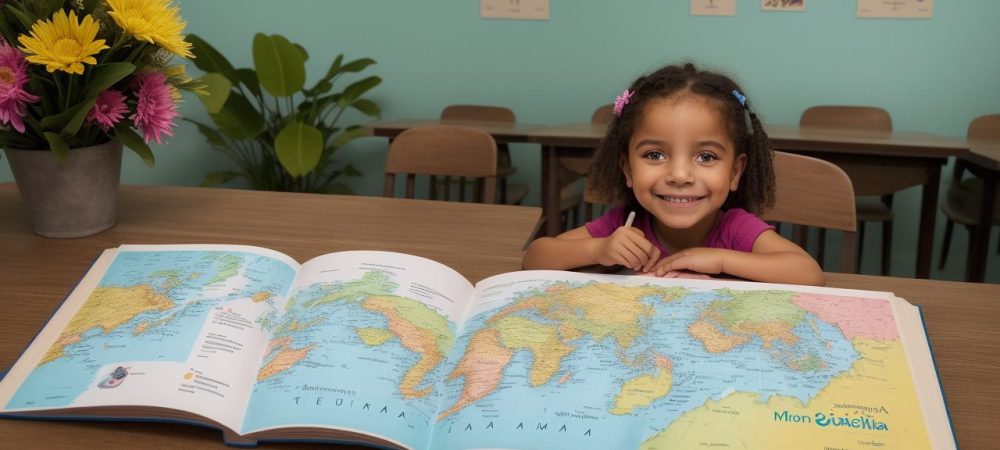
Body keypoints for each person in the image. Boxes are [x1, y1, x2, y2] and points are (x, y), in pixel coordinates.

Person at [522, 63, 824, 286]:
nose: (679, 175)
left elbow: (808, 274)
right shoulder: (624, 225)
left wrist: (720, 259)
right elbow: (535, 258)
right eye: (655, 155)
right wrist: (599, 249)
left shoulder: (736, 229)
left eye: (706, 157)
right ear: (627, 168)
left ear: (735, 172)